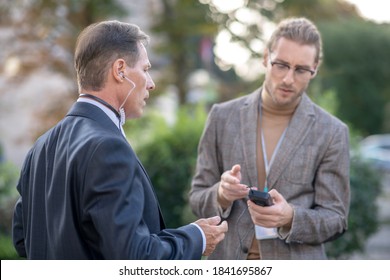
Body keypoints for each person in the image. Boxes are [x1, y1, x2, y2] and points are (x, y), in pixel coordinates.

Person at [12, 20, 228, 260]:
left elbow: (23, 240)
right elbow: (134, 258)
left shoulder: (40, 147)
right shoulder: (108, 147)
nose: (151, 83)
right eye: (145, 70)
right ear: (120, 70)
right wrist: (196, 237)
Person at [189, 17, 350, 260]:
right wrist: (221, 194)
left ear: (314, 68)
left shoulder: (332, 131)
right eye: (281, 65)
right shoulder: (222, 117)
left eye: (301, 69)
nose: (288, 78)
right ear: (266, 58)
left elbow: (336, 219)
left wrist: (291, 218)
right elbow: (197, 198)